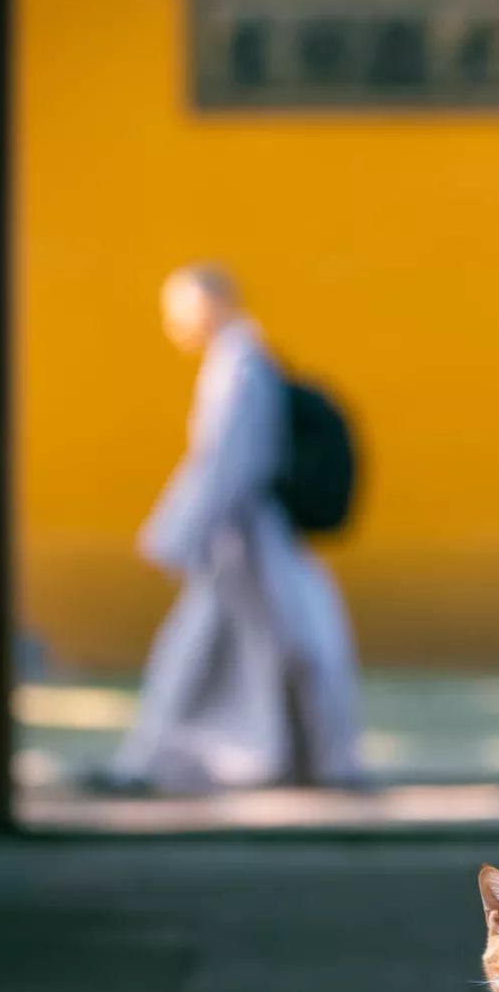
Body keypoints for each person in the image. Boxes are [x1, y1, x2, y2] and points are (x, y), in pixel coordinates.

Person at [96, 265, 362, 793]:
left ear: (212, 304)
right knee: (272, 648)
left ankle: (157, 762)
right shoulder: (242, 361)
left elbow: (226, 462)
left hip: (244, 537)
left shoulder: (238, 364)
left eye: (181, 309)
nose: (174, 323)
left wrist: (172, 534)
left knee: (235, 650)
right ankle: (298, 759)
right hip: (245, 536)